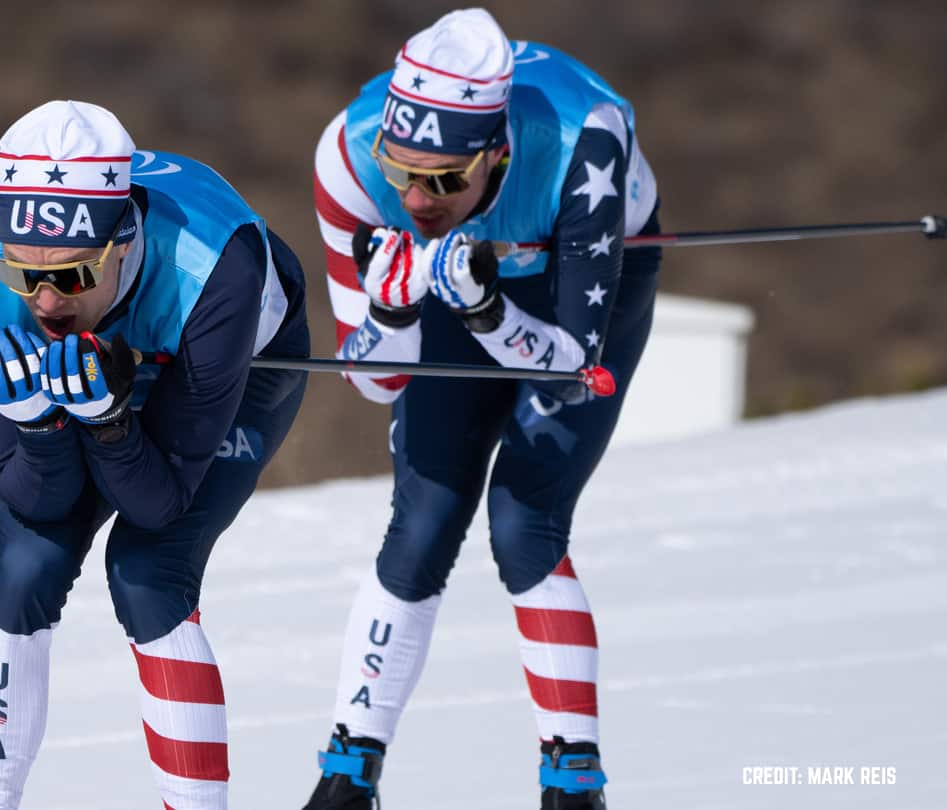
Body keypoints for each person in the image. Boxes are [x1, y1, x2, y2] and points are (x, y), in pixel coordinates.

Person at [304, 9, 661, 809]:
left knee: (524, 520)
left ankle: (574, 782)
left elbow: (573, 368)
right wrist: (394, 317)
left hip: (580, 272)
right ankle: (348, 769)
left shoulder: (585, 144)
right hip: (462, 283)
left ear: (495, 152)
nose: (419, 200)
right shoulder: (348, 160)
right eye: (405, 174)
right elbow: (372, 383)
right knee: (423, 518)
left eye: (444, 180)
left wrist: (489, 314)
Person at [0, 100, 308, 810]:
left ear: (125, 244)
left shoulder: (216, 271)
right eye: (25, 275)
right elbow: (34, 501)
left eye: (72, 276)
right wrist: (41, 427)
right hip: (110, 365)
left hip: (231, 355)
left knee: (148, 570)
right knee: (26, 565)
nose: (44, 302)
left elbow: (158, 503)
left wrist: (109, 425)